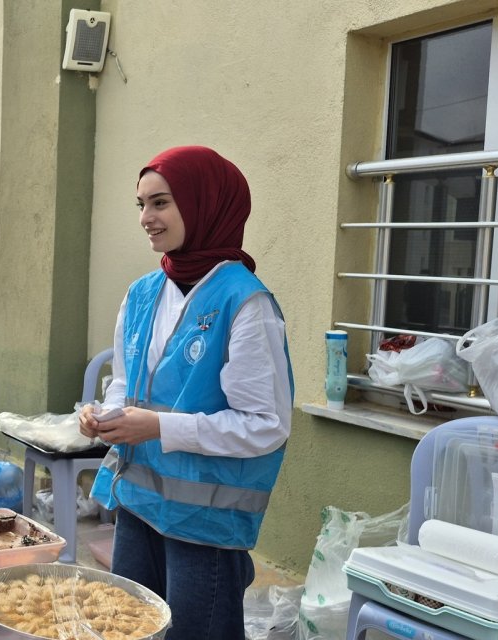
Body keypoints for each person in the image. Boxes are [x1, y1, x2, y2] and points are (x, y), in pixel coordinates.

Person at [80, 146, 292, 640]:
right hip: (138, 503)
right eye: (141, 205)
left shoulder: (246, 303)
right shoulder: (142, 293)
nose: (146, 219)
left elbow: (266, 426)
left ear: (204, 204)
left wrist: (155, 427)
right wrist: (104, 416)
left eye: (161, 203)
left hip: (205, 520)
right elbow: (126, 384)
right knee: (130, 628)